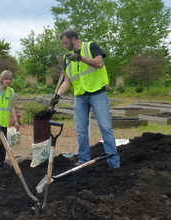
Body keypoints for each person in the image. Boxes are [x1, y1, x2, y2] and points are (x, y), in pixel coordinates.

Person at [51, 29, 120, 168]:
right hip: (80, 96)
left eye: (65, 42)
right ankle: (83, 160)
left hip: (97, 93)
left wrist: (80, 58)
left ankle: (113, 162)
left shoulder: (91, 47)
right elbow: (67, 81)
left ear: (73, 39)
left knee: (105, 127)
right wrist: (57, 96)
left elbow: (99, 63)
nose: (64, 46)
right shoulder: (68, 57)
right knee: (81, 129)